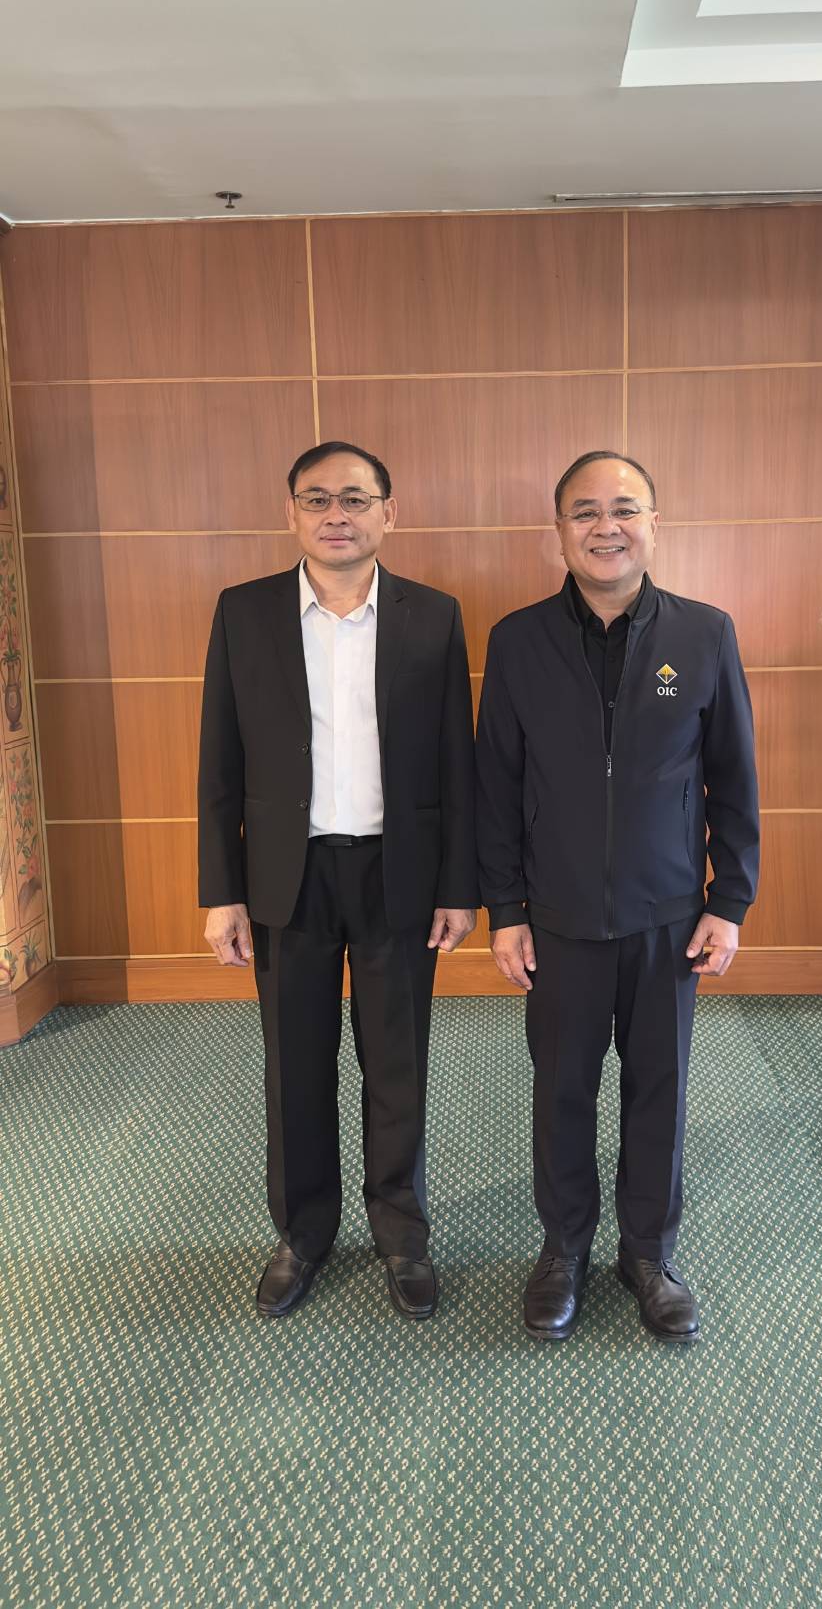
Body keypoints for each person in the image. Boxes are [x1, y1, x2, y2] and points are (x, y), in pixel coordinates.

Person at [475, 450, 759, 1344]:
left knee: (658, 1093)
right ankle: (562, 1250)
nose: (607, 528)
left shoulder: (704, 635)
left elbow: (733, 779)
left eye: (625, 509)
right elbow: (496, 786)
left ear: (654, 524)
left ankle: (648, 1255)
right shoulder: (518, 640)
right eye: (586, 512)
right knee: (562, 1091)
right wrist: (506, 911)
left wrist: (729, 901)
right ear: (559, 529)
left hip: (667, 918)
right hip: (557, 921)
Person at [198, 441, 477, 1321]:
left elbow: (457, 763)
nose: (336, 515)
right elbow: (218, 762)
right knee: (296, 1067)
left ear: (389, 512)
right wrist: (221, 890)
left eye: (355, 498)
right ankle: (303, 1233)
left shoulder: (434, 615)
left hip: (401, 873)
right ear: (292, 513)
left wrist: (458, 885)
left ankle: (402, 1235)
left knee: (397, 1065)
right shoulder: (244, 612)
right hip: (289, 876)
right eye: (316, 499)